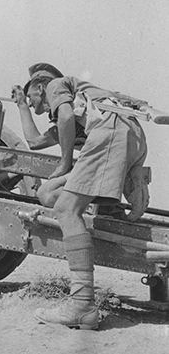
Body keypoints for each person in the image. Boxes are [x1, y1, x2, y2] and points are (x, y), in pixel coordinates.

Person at [12, 63, 149, 330]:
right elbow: (36, 142)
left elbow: (63, 117)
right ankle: (119, 198)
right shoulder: (79, 110)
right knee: (47, 193)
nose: (31, 101)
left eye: (31, 96)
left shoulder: (55, 85)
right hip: (128, 135)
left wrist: (64, 164)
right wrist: (21, 107)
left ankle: (81, 304)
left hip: (110, 132)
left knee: (66, 209)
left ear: (41, 86)